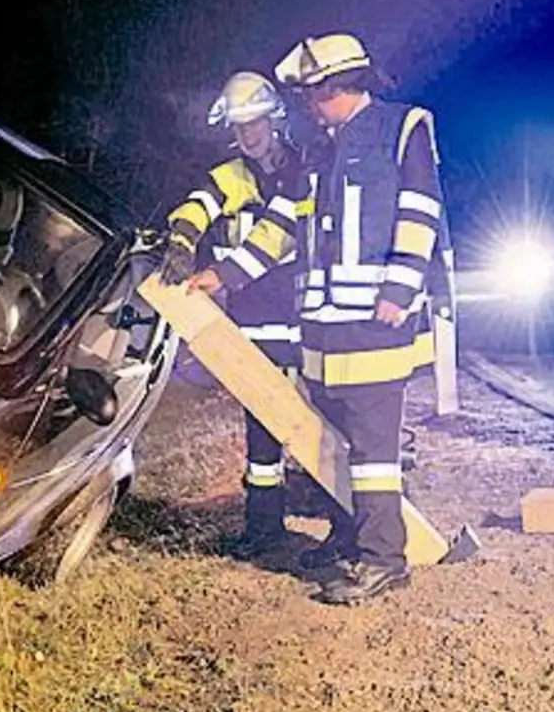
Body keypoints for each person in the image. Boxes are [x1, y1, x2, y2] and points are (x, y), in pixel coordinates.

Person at [188, 33, 444, 603]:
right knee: (332, 443)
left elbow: (420, 209)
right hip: (323, 330)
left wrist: (400, 287)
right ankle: (346, 538)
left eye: (312, 93)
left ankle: (383, 559)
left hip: (375, 322)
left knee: (373, 451)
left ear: (337, 86)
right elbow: (282, 228)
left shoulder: (402, 128)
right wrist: (222, 275)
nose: (307, 104)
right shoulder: (319, 152)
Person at [160, 70, 312, 556]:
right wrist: (182, 243)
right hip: (253, 323)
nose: (248, 134)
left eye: (255, 122)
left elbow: (277, 237)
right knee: (262, 430)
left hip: (305, 321)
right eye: (239, 125)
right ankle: (264, 528)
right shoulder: (231, 175)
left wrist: (221, 275)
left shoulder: (304, 170)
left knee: (321, 425)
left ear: (274, 119)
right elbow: (197, 205)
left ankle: (341, 522)